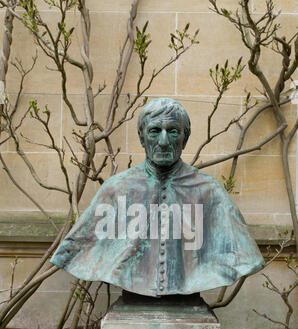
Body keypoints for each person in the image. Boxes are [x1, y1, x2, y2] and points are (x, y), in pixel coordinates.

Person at [50, 98, 264, 297]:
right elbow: (79, 248)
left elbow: (243, 256)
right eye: (154, 131)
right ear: (142, 138)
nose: (163, 141)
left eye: (172, 131)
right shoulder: (115, 189)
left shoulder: (211, 192)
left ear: (185, 138)